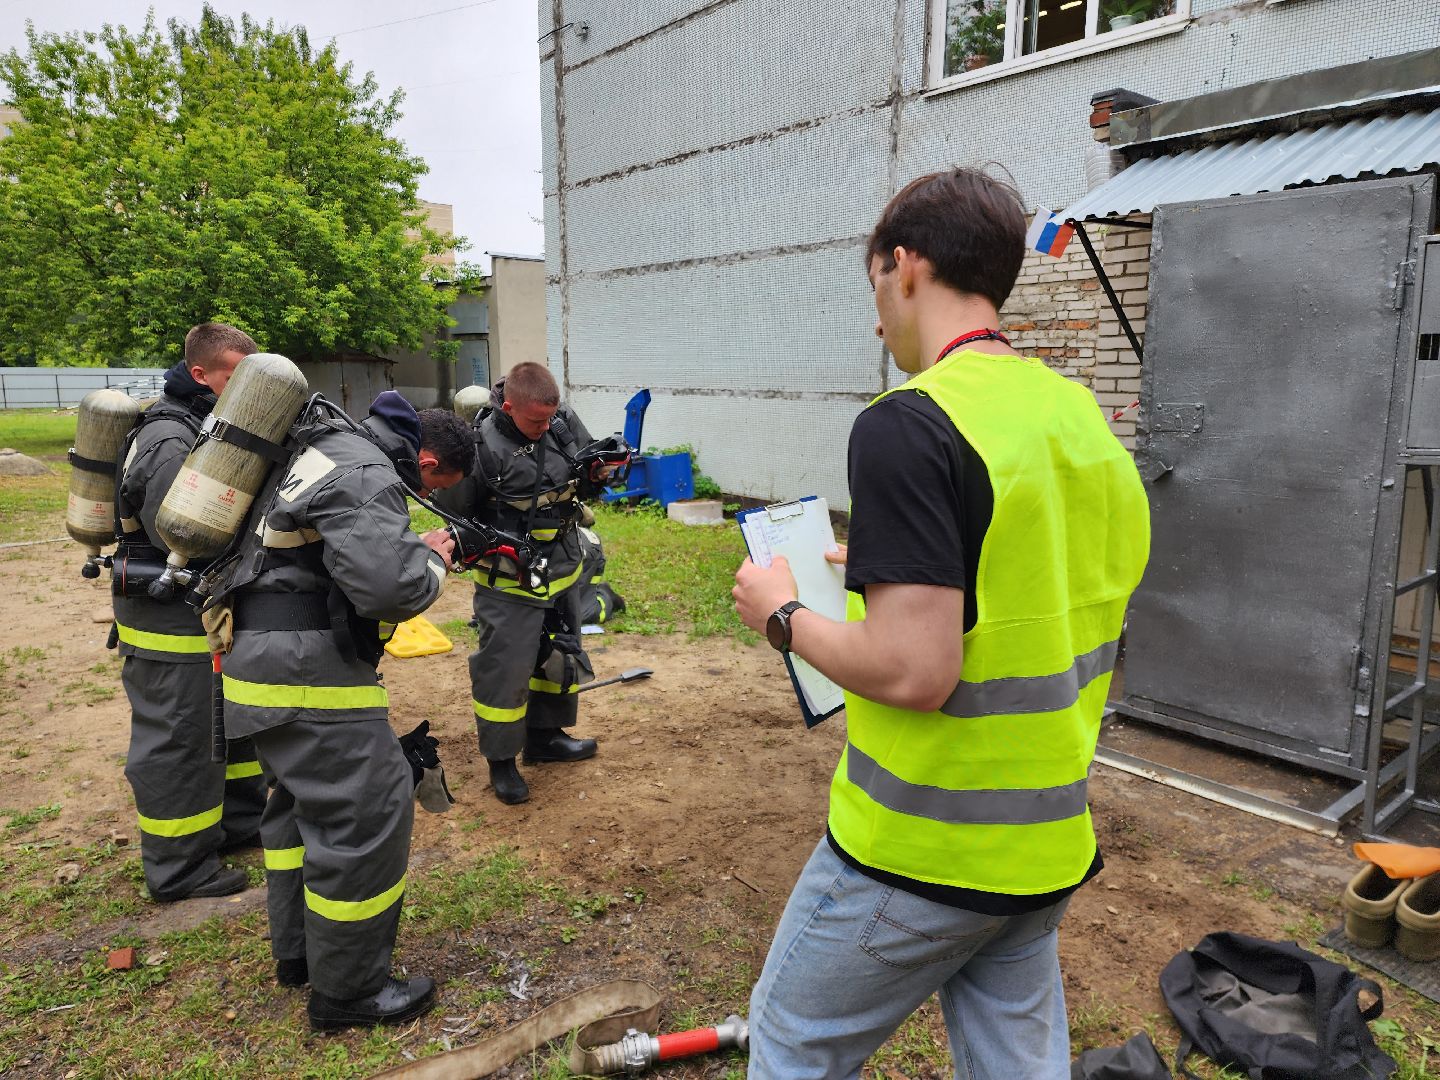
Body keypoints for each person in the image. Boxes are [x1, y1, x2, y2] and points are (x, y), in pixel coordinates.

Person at [731, 168, 1151, 1079]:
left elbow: (915, 672)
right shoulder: (1081, 420)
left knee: (791, 1042)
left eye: (874, 287)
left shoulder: (909, 425)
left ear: (904, 266)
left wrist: (783, 613)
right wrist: (902, 568)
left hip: (920, 846)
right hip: (1042, 844)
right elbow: (1041, 579)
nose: (877, 318)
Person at [215, 390, 471, 1031]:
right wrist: (435, 560)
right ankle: (349, 992)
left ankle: (301, 954)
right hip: (307, 674)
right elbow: (389, 588)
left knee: (300, 806)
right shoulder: (359, 465)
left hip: (257, 664)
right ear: (423, 455)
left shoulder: (310, 451)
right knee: (367, 810)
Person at [112, 322, 267, 902]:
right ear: (200, 374)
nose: (244, 388)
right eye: (235, 377)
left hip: (198, 612)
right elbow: (175, 532)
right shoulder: (169, 439)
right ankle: (179, 869)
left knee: (226, 726)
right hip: (168, 619)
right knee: (179, 738)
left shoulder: (205, 424)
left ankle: (238, 826)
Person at [434, 362, 601, 806]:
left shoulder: (561, 424)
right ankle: (502, 761)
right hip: (509, 579)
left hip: (563, 566)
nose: (545, 427)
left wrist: (601, 473)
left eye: (550, 418)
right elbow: (455, 513)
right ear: (509, 407)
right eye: (535, 421)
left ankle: (546, 738)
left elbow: (585, 472)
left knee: (560, 656)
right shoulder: (480, 445)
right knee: (503, 672)